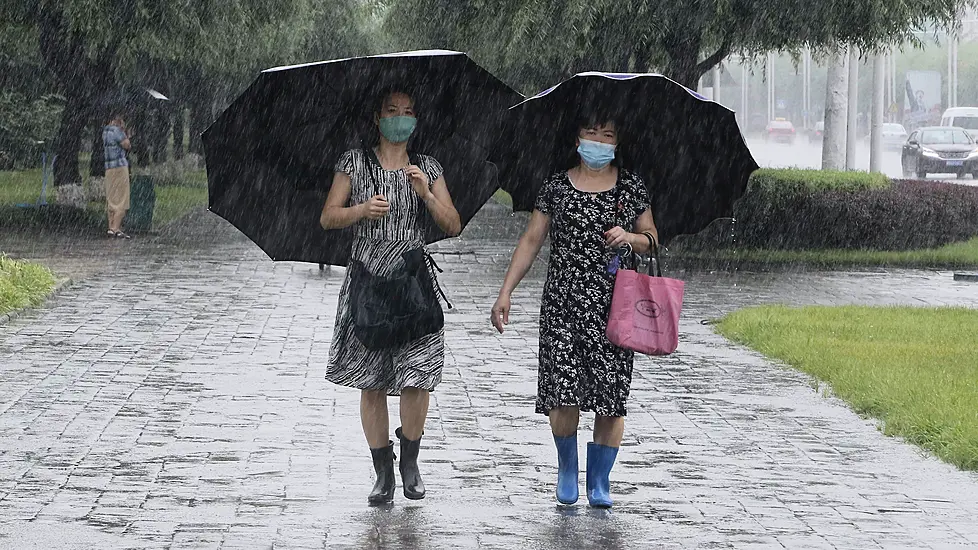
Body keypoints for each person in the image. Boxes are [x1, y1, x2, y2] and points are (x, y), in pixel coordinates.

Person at [490, 113, 658, 508]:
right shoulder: (555, 186)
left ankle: (600, 481)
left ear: (617, 142)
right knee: (562, 390)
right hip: (563, 305)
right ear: (577, 137)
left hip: (614, 306)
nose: (598, 141)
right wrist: (506, 291)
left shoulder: (631, 185)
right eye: (591, 133)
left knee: (610, 394)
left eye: (608, 134)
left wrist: (630, 237)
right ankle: (567, 469)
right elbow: (532, 240)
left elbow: (652, 239)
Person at [320, 90, 461, 505]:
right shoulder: (354, 162)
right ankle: (383, 471)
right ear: (377, 117)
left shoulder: (427, 168)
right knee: (372, 380)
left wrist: (427, 195)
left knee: (418, 377)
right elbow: (328, 216)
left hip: (413, 282)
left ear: (416, 120)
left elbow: (452, 224)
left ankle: (410, 461)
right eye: (392, 112)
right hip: (367, 281)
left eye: (408, 113)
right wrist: (360, 210)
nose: (400, 119)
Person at [102, 113, 132, 239]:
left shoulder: (105, 131)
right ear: (119, 119)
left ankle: (111, 227)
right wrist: (126, 134)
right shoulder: (118, 131)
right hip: (120, 167)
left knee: (112, 198)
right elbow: (127, 145)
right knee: (122, 200)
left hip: (109, 168)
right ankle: (116, 228)